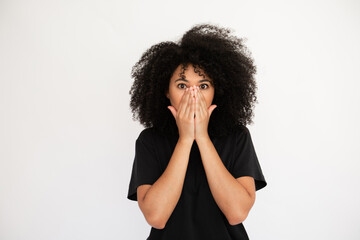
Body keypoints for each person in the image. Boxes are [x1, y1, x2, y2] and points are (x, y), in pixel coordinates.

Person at [127, 23, 267, 240]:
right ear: (166, 91)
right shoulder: (150, 141)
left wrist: (201, 137)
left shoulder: (237, 137)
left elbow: (237, 213)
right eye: (182, 85)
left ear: (216, 90)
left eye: (203, 86)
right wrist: (185, 140)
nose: (194, 96)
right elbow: (156, 217)